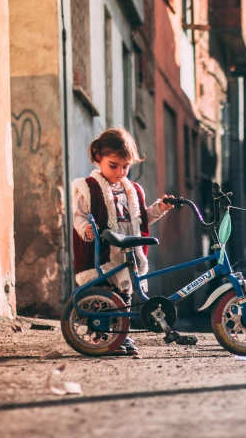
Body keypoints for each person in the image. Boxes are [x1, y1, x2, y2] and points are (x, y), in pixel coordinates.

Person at [71, 128, 175, 356]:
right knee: (104, 294)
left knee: (124, 297)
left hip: (127, 252)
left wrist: (160, 209)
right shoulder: (87, 188)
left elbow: (141, 219)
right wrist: (84, 230)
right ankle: (101, 338)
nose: (120, 172)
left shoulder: (133, 190)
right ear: (98, 158)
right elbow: (78, 216)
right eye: (113, 165)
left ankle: (121, 336)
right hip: (105, 252)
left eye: (126, 166)